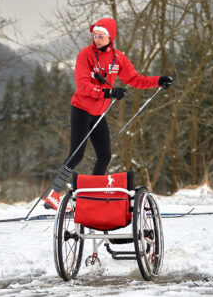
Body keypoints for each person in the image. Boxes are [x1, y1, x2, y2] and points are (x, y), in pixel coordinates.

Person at [44, 18, 173, 210]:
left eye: (100, 36)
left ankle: (91, 197)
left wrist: (158, 81)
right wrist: (108, 92)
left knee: (104, 155)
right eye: (94, 35)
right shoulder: (85, 55)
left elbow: (135, 79)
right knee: (77, 154)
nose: (96, 39)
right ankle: (54, 194)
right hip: (81, 109)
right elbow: (83, 86)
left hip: (99, 113)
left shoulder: (117, 58)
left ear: (110, 37)